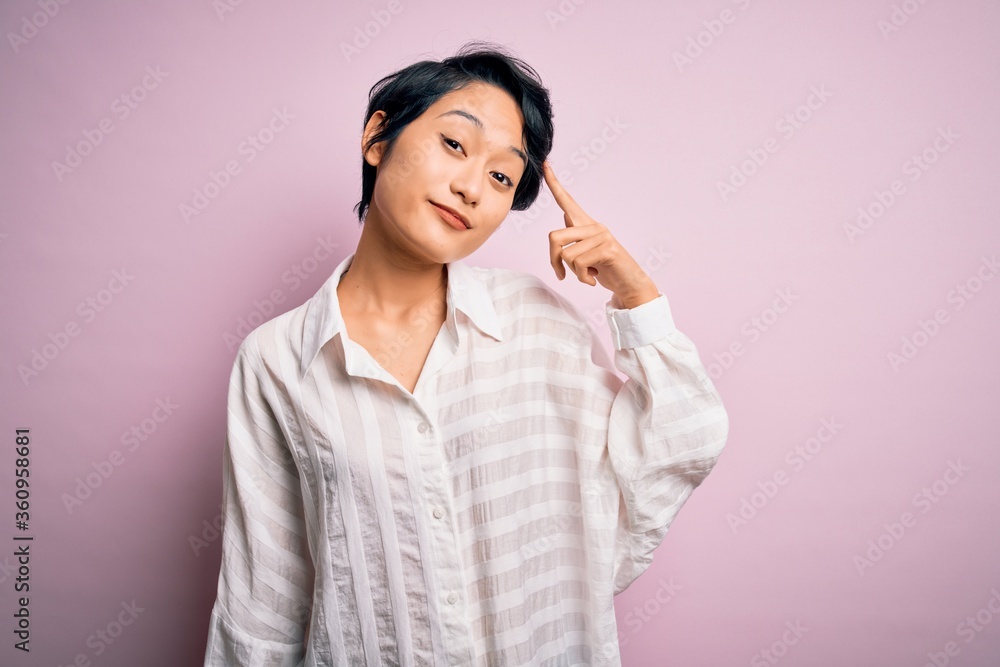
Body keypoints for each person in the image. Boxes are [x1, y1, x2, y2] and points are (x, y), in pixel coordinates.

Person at [203, 41, 729, 666]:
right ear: (377, 138)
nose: (472, 187)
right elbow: (263, 600)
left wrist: (635, 293)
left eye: (503, 176)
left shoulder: (537, 326)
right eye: (455, 144)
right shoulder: (275, 360)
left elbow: (681, 442)